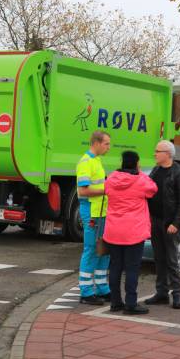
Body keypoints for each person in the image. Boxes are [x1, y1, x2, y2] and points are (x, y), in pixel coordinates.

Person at [103, 151, 158, 314]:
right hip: (133, 232)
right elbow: (153, 189)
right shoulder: (141, 180)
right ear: (136, 163)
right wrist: (139, 172)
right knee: (132, 269)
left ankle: (115, 302)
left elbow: (105, 190)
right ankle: (131, 304)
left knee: (115, 268)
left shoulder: (111, 178)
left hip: (113, 230)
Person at [144, 140, 180, 309]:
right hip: (156, 220)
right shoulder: (156, 171)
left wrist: (176, 223)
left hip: (170, 223)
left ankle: (177, 294)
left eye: (158, 151)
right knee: (159, 258)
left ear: (168, 154)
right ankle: (161, 292)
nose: (155, 153)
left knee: (172, 259)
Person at [76, 130, 112, 305]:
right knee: (91, 249)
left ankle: (102, 288)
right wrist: (106, 190)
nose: (108, 147)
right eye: (106, 144)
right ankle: (86, 292)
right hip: (91, 210)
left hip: (100, 211)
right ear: (96, 143)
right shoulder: (86, 162)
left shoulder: (96, 160)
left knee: (103, 249)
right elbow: (83, 191)